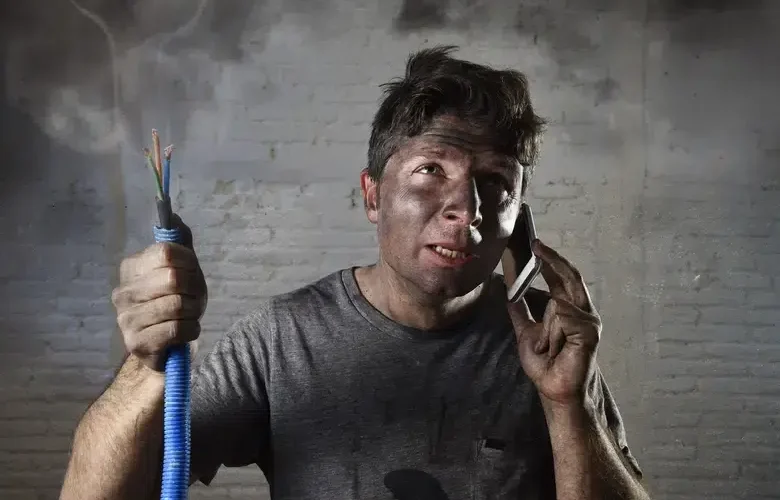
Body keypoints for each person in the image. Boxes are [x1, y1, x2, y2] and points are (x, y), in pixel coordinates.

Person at [60, 46, 649, 500]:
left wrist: (568, 405)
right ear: (372, 195)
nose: (466, 208)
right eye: (430, 170)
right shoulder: (282, 340)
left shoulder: (549, 338)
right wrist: (146, 366)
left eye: (495, 182)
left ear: (519, 215)